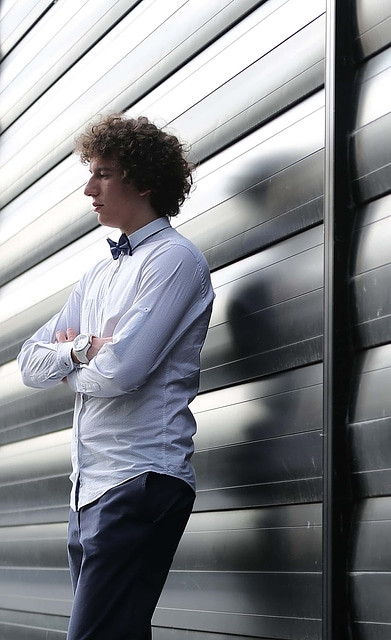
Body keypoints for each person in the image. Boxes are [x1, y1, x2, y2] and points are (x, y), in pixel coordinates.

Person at [17, 114, 214, 639]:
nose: (89, 190)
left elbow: (123, 371)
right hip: (89, 487)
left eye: (102, 174)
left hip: (140, 479)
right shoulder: (98, 274)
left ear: (143, 181)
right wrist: (85, 349)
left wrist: (74, 363)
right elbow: (29, 364)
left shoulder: (175, 260)